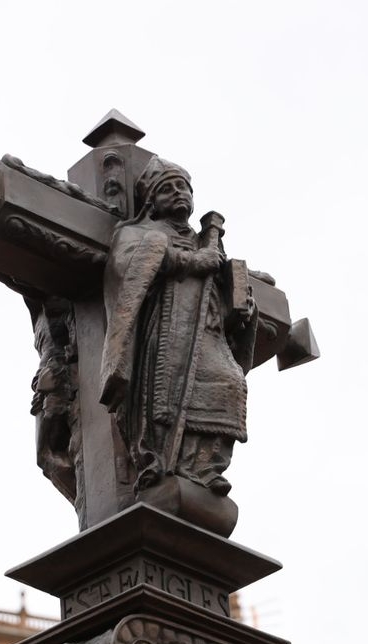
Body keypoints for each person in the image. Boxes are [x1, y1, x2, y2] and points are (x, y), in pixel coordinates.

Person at [99, 157, 257, 498]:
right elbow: (128, 265)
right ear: (152, 202)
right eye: (167, 189)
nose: (178, 193)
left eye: (183, 187)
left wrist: (240, 297)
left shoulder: (208, 242)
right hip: (167, 330)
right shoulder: (137, 233)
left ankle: (206, 466)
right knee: (165, 398)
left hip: (208, 331)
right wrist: (188, 261)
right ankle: (163, 460)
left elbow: (222, 283)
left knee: (230, 383)